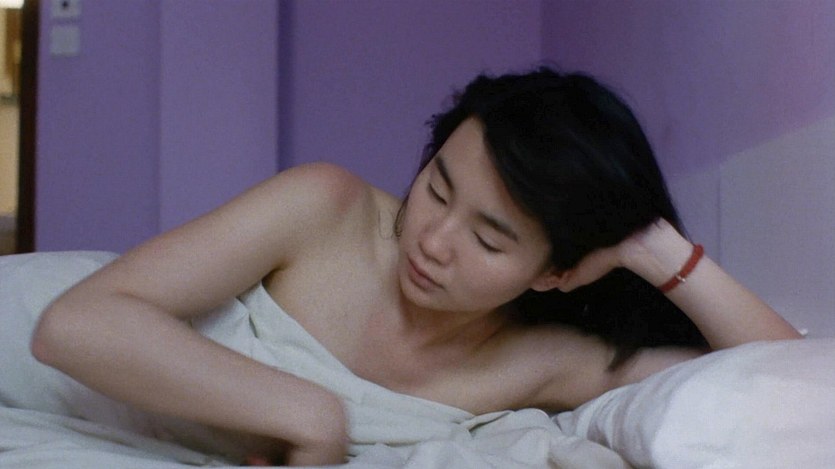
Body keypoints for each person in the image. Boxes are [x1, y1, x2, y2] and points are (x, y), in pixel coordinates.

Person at [30, 66, 801, 466]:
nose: (432, 239)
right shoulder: (324, 205)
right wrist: (310, 417)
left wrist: (650, 244)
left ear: (555, 273)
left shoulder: (549, 360)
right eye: (435, 186)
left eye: (489, 239)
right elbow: (75, 323)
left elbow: (789, 383)